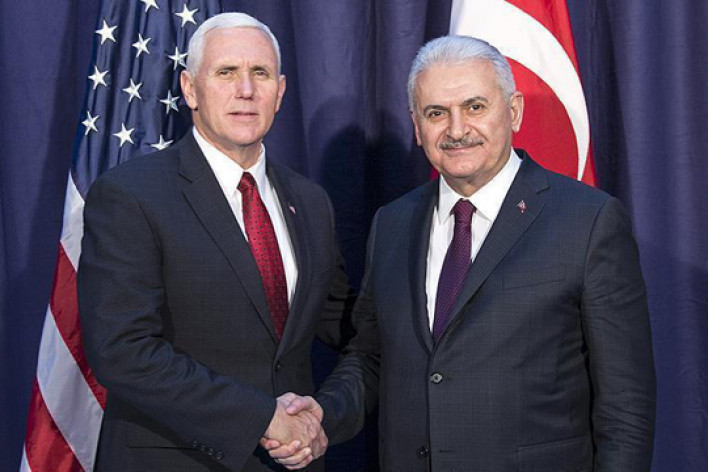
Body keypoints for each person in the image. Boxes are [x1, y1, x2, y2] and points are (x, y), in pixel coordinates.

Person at [269, 35, 656, 470]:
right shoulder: (392, 223)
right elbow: (372, 357)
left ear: (513, 111)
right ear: (417, 126)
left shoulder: (588, 220)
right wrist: (323, 415)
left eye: (475, 107)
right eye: (436, 113)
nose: (456, 130)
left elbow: (625, 409)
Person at [78, 12, 347, 472]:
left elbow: (342, 321)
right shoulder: (130, 195)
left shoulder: (310, 201)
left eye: (260, 73)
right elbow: (123, 351)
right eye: (226, 72)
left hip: (291, 462)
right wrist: (262, 418)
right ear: (190, 89)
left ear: (280, 91)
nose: (246, 89)